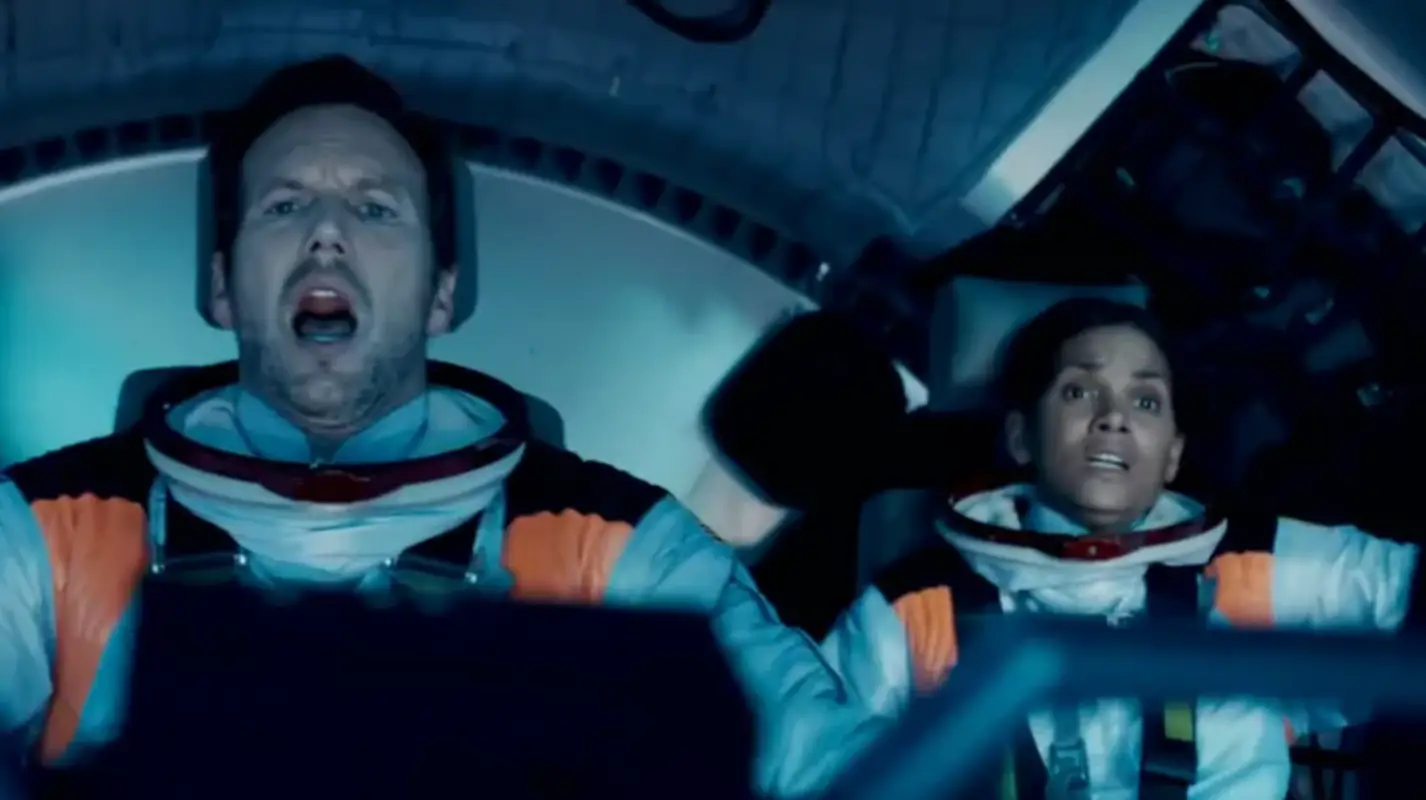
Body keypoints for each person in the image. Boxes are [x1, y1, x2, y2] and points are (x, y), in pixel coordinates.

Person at [0, 55, 880, 796]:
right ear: (222, 286)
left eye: (375, 209)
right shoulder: (42, 534)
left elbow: (836, 771)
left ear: (442, 295)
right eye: (284, 206)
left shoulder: (619, 549)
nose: (327, 235)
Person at [821, 298, 1422, 799]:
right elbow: (811, 768)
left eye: (1146, 401)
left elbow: (1410, 597)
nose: (1114, 418)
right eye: (1079, 392)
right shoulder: (914, 612)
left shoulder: (1255, 567)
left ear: (1173, 454)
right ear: (1022, 436)